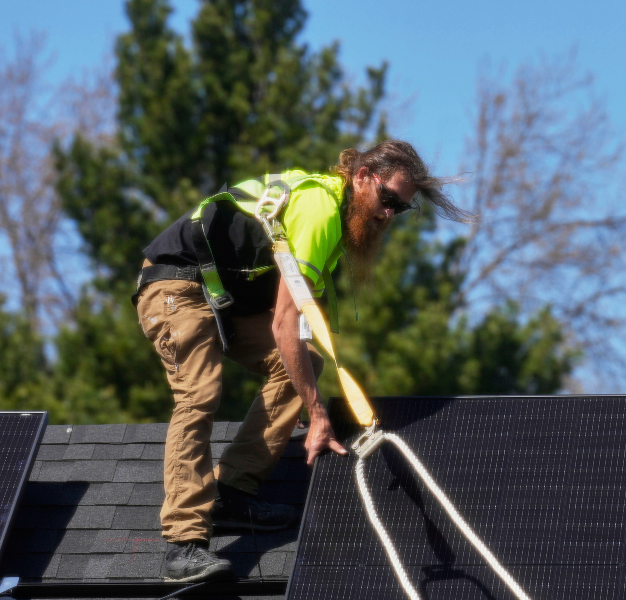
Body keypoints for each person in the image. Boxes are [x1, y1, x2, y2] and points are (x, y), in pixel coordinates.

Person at [133, 140, 470, 582]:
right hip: (176, 285)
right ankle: (184, 544)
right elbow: (284, 324)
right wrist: (315, 413)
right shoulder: (319, 210)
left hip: (224, 298)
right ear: (363, 176)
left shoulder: (334, 220)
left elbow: (303, 327)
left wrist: (300, 387)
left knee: (303, 363)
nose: (389, 214)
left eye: (401, 210)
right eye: (388, 200)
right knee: (199, 394)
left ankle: (231, 491)